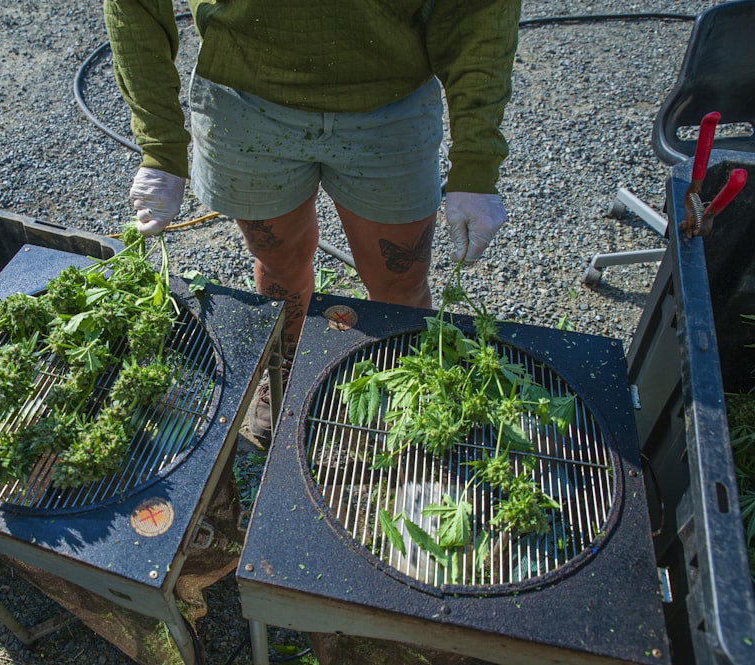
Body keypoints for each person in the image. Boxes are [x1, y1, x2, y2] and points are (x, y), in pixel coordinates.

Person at [103, 0, 520, 446]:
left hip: (390, 101)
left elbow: (482, 8)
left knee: (400, 281)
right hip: (245, 103)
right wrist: (160, 145)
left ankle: (405, 378)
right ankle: (282, 367)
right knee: (279, 263)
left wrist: (476, 163)